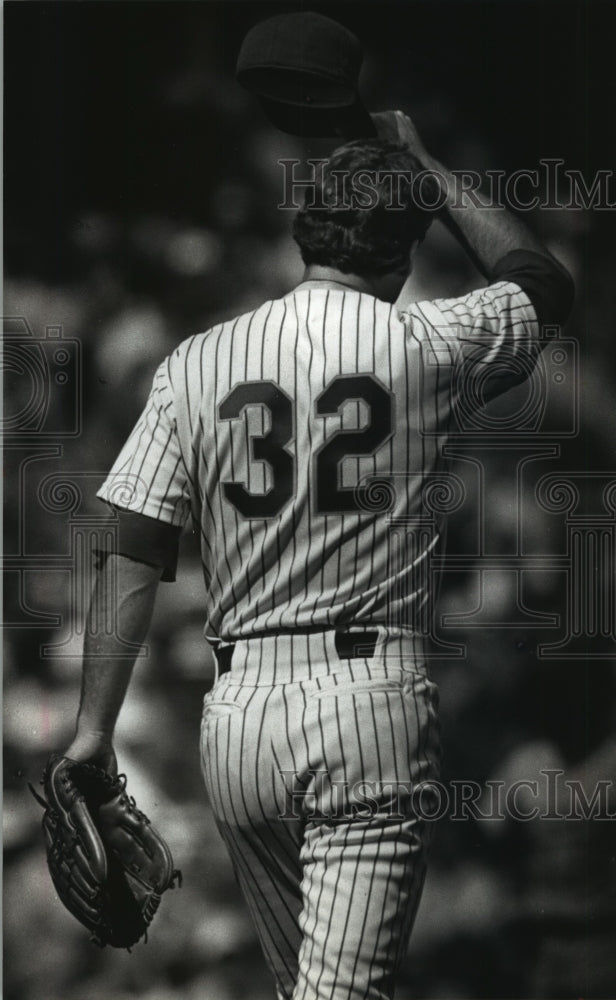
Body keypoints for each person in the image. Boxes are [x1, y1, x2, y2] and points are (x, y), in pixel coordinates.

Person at [64, 112, 574, 999]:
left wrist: (93, 730)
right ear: (408, 249)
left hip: (239, 724)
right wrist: (426, 166)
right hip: (364, 710)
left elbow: (131, 551)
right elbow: (538, 279)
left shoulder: (195, 362)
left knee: (313, 987)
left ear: (305, 229)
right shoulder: (429, 342)